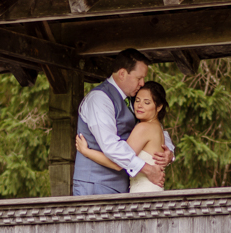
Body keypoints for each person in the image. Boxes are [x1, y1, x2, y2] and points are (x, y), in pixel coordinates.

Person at [70, 49, 173, 196]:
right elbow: (111, 146)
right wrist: (147, 168)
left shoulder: (135, 101)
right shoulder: (100, 99)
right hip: (95, 185)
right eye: (139, 78)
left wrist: (168, 152)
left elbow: (155, 128)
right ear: (123, 74)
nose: (142, 83)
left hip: (123, 187)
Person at [75, 81, 170, 193]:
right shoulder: (157, 127)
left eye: (147, 102)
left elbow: (118, 162)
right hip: (152, 188)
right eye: (137, 100)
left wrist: (86, 151)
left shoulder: (143, 128)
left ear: (158, 107)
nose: (140, 105)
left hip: (144, 191)